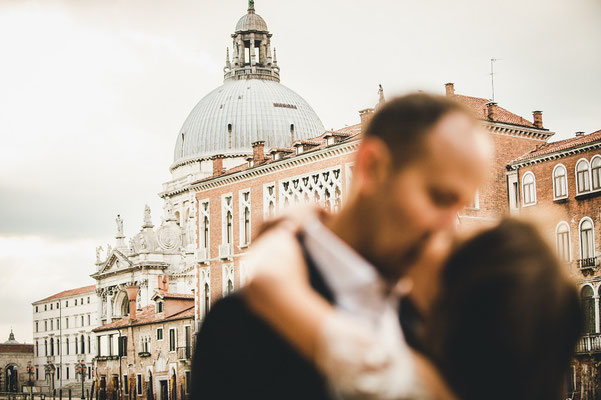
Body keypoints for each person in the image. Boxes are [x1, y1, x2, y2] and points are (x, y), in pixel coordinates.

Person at [191, 92, 492, 400]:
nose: (448, 226)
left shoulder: (432, 322)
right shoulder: (244, 324)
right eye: (438, 197)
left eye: (459, 205)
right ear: (373, 166)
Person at [244, 218, 582, 400]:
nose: (442, 225)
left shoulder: (409, 384)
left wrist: (292, 225)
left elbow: (268, 282)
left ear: (456, 299)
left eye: (451, 241)